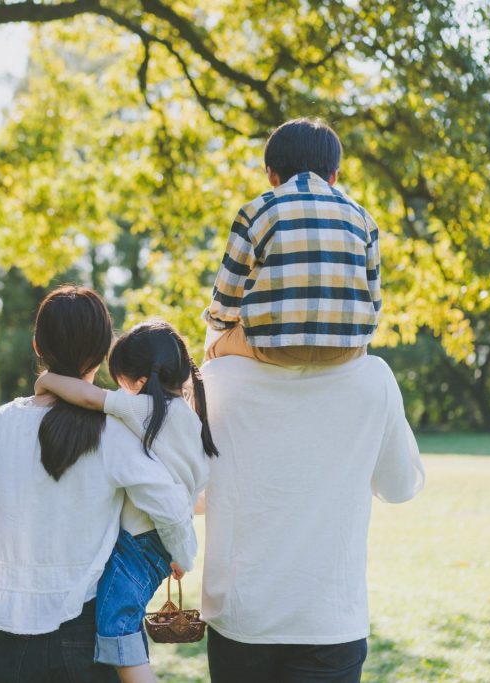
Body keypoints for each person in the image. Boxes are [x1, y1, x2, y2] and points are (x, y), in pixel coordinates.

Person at [0, 286, 197, 683]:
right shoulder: (113, 429)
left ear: (37, 344)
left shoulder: (0, 422)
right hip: (85, 625)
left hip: (9, 631)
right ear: (103, 352)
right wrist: (183, 553)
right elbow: (170, 506)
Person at [200, 350, 425, 682]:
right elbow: (399, 486)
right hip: (328, 615)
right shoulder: (373, 378)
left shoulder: (218, 376)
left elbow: (193, 485)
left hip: (242, 611)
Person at [36, 320, 217, 683]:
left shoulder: (144, 409)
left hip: (142, 539)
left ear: (140, 380)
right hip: (159, 539)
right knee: (119, 617)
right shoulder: (189, 417)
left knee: (116, 622)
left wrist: (47, 380)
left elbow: (89, 397)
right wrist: (176, 550)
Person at [203, 117, 381, 367]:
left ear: (271, 175)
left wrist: (219, 325)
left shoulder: (257, 211)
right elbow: (374, 300)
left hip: (274, 347)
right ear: (334, 176)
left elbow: (225, 302)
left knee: (213, 348)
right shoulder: (363, 218)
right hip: (346, 349)